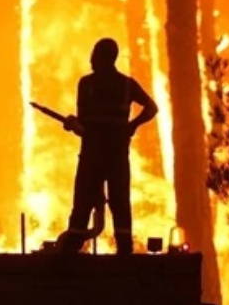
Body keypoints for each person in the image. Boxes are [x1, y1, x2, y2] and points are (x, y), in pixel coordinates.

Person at [62, 37, 158, 254]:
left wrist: (73, 124)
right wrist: (132, 125)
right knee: (120, 204)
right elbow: (152, 108)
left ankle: (70, 251)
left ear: (103, 57)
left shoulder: (86, 84)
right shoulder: (126, 85)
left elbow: (83, 125)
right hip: (116, 156)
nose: (90, 59)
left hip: (92, 155)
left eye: (94, 54)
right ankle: (125, 252)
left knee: (83, 203)